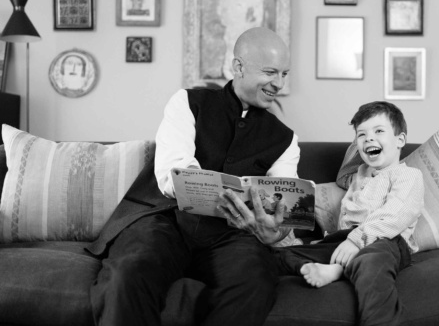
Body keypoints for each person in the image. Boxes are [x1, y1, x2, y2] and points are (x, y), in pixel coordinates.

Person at [88, 27, 300, 326]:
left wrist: (271, 231)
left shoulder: (286, 140)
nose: (278, 83)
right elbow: (170, 172)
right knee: (130, 272)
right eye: (270, 72)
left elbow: (284, 206)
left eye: (284, 74)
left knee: (255, 282)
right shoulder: (187, 102)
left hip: (231, 234)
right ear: (238, 67)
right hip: (165, 219)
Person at [273, 101, 424, 326]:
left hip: (387, 240)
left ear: (400, 140)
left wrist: (356, 239)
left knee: (371, 262)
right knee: (278, 255)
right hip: (345, 239)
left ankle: (340, 270)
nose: (369, 139)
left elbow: (395, 215)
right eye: (361, 135)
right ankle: (336, 267)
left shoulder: (409, 175)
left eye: (379, 131)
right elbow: (346, 205)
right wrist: (331, 243)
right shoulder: (359, 175)